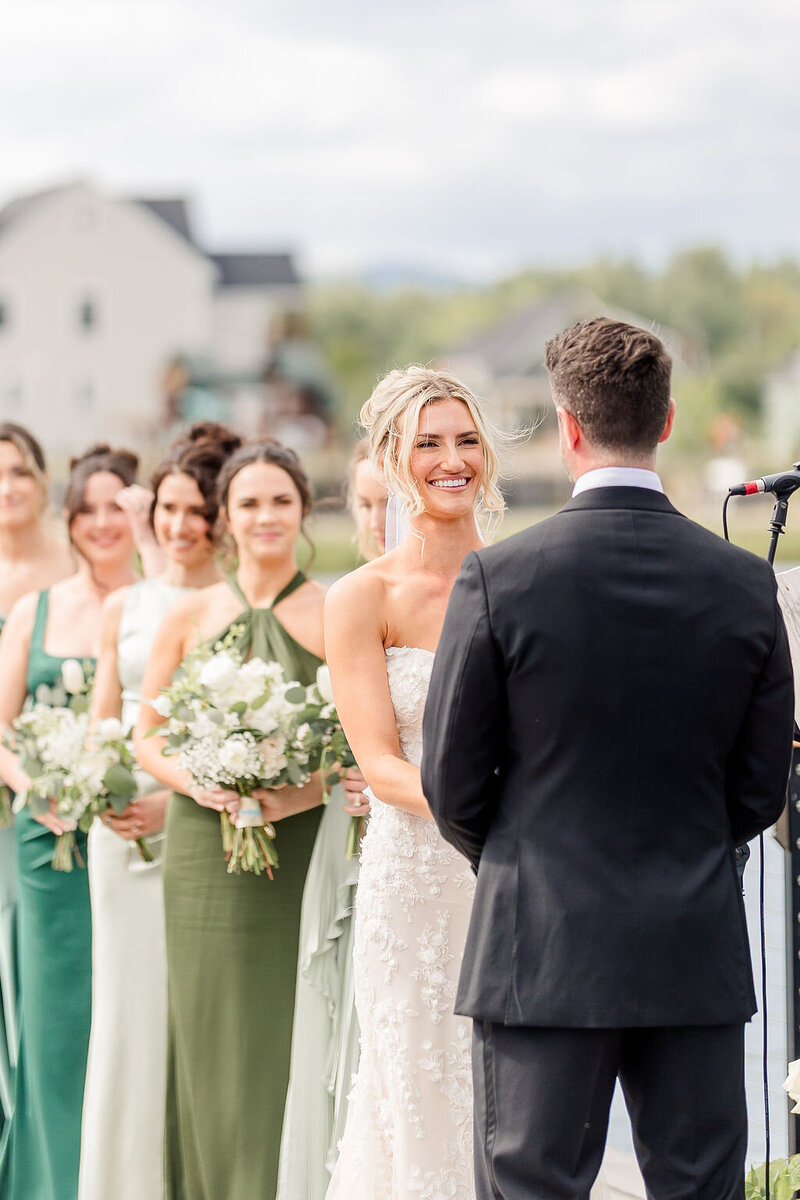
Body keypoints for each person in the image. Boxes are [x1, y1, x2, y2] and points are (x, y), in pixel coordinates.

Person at [422, 317, 795, 1199]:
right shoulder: (746, 582)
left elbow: (452, 783)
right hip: (692, 948)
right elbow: (759, 786)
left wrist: (527, 862)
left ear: (568, 427)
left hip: (539, 950)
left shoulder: (499, 579)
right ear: (666, 421)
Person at [323, 366, 506, 1200]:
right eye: (428, 443)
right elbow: (379, 763)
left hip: (513, 877)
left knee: (510, 1102)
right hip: (414, 882)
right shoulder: (361, 597)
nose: (452, 460)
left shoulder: (521, 579)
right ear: (393, 458)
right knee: (415, 1095)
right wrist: (488, 811)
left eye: (466, 441)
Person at [133, 440, 328, 1200]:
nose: (265, 516)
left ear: (304, 510)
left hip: (299, 847)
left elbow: (357, 742)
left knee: (287, 1027)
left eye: (281, 500)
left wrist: (299, 795)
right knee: (206, 1028)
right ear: (225, 516)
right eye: (249, 502)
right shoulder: (188, 615)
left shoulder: (333, 609)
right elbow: (148, 737)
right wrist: (203, 781)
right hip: (200, 852)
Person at [78, 424, 238, 1200]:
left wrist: (172, 804)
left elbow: (239, 734)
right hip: (122, 844)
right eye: (167, 509)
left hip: (199, 824)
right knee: (126, 1012)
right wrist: (102, 791)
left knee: (194, 1015)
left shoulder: (235, 607)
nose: (178, 527)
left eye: (194, 511)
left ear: (219, 518)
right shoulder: (124, 607)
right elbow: (105, 723)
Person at [0, 445, 140, 1200]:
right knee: (55, 1026)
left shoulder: (159, 604)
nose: (102, 523)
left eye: (116, 507)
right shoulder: (37, 611)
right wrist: (36, 785)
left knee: (132, 1018)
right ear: (71, 520)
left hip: (136, 833)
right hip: (46, 843)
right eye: (87, 511)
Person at [276, 440, 387, 1199]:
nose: (378, 520)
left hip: (428, 841)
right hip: (343, 838)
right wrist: (332, 773)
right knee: (334, 1013)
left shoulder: (467, 592)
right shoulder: (342, 601)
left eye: (390, 502)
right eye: (366, 504)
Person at [0, 423, 75, 1158]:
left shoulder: (75, 566)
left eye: (19, 471)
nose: (8, 487)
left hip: (51, 804)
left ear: (43, 479)